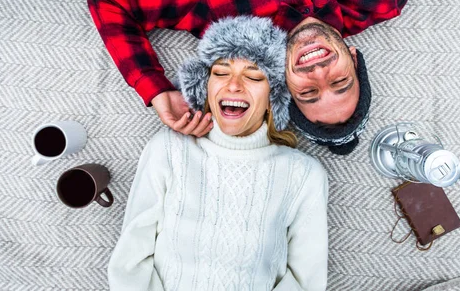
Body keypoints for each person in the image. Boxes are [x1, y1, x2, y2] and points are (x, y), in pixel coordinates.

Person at [87, 0, 452, 153]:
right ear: (354, 59)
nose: (319, 73)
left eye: (309, 93)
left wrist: (155, 89)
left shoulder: (219, 16)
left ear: (282, 81)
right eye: (340, 82)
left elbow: (111, 2)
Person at [107, 17, 328, 290]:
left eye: (253, 75)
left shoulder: (303, 174)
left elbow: (307, 280)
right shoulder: (169, 148)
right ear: (207, 89)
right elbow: (130, 257)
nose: (233, 85)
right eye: (221, 73)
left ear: (273, 101)